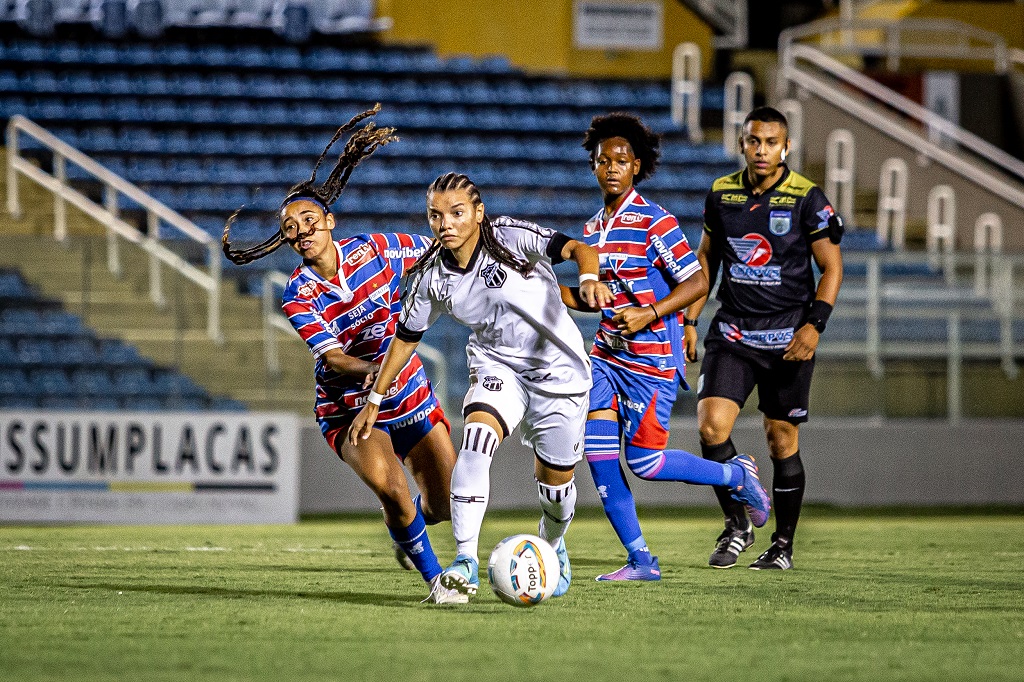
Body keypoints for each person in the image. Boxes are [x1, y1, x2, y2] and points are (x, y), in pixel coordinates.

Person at [222, 105, 465, 604]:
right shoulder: (298, 293)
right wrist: (379, 373)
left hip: (412, 396)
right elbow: (332, 359)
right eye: (290, 228)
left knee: (443, 506)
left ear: (329, 220)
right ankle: (439, 581)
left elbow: (434, 252)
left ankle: (407, 526)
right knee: (393, 490)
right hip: (351, 408)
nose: (301, 231)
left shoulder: (377, 249)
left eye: (308, 219)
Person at [349, 171, 613, 601]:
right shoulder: (430, 276)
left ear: (478, 212)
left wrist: (587, 280)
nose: (445, 224)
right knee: (474, 442)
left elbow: (578, 248)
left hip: (559, 371)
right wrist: (375, 398)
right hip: (497, 366)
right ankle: (465, 561)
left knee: (556, 490)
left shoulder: (510, 237)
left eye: (456, 213)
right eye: (435, 215)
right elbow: (405, 339)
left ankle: (554, 542)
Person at [566, 112, 771, 582]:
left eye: (621, 160)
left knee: (646, 463)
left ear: (636, 165)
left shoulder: (655, 222)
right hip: (604, 357)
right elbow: (594, 297)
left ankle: (738, 477)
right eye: (603, 160)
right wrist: (543, 288)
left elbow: (698, 281)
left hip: (650, 361)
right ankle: (642, 561)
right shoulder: (593, 228)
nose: (612, 167)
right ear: (594, 167)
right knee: (597, 458)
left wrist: (649, 314)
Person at [684, 106, 844, 570]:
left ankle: (783, 546)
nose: (761, 150)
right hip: (732, 331)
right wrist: (691, 319)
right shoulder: (721, 194)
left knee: (780, 438)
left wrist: (815, 326)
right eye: (754, 141)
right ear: (742, 144)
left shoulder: (807, 197)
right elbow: (707, 260)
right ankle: (737, 524)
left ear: (786, 148)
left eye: (771, 142)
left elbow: (831, 268)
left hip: (789, 337)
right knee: (712, 428)